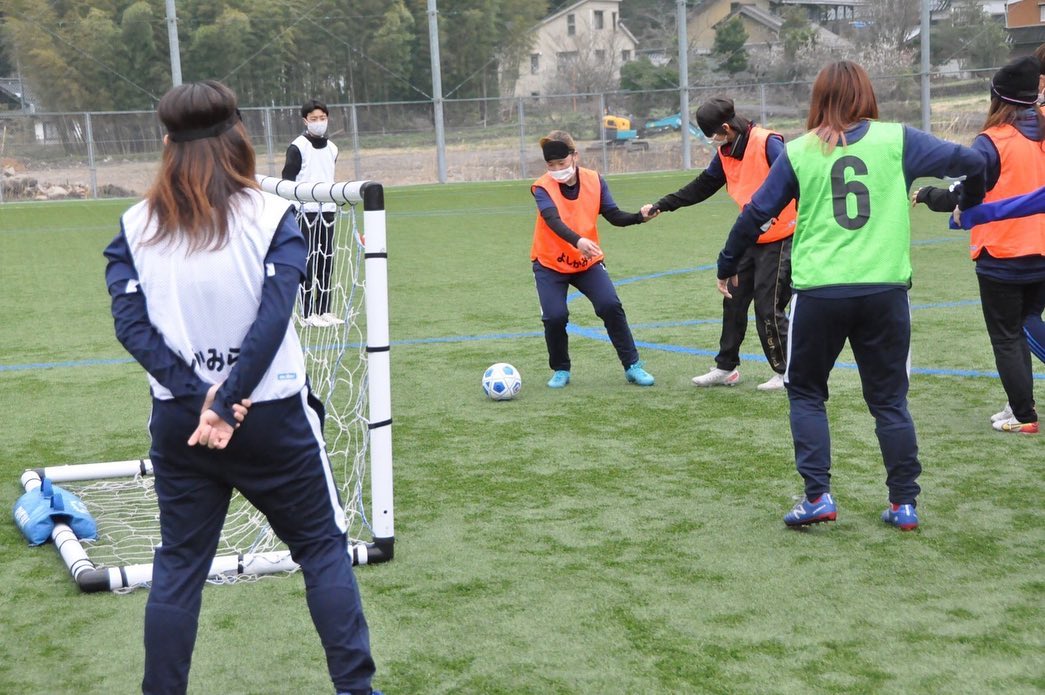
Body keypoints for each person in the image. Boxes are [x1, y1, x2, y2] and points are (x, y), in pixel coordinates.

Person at [103, 80, 378, 695]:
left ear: (167, 144)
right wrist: (225, 401)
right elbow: (276, 314)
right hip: (272, 416)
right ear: (239, 139)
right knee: (323, 551)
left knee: (178, 568)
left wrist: (197, 396)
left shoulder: (133, 224)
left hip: (183, 424)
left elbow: (129, 325)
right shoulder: (274, 214)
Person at [716, 61, 986, 530]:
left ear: (818, 99)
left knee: (805, 393)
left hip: (820, 292)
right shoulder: (899, 139)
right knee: (889, 401)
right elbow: (975, 163)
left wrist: (726, 264)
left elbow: (756, 213)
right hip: (884, 291)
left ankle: (817, 496)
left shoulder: (798, 152)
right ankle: (904, 503)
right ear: (867, 95)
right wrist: (970, 200)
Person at [912, 56, 1045, 435]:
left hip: (1003, 253)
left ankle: (1023, 415)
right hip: (1041, 250)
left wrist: (933, 197)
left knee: (1006, 335)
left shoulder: (993, 141)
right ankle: (1019, 402)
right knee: (1024, 327)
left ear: (996, 98)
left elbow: (967, 191)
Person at [641, 98, 797, 391]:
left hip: (782, 238)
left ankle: (787, 371)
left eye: (711, 135)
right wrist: (664, 205)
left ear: (726, 127)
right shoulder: (726, 152)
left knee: (768, 307)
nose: (712, 141)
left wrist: (778, 214)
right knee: (733, 299)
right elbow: (703, 185)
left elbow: (795, 180)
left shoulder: (767, 142)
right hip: (750, 236)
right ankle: (726, 367)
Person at [531, 130, 656, 388]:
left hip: (586, 262)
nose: (556, 170)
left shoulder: (594, 180)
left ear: (574, 157)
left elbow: (612, 214)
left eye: (561, 163)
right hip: (550, 264)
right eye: (551, 165)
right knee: (554, 317)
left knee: (610, 305)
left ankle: (633, 366)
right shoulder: (541, 187)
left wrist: (638, 217)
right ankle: (561, 369)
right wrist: (578, 240)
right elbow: (552, 220)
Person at [282, 98, 342, 328]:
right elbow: (288, 179)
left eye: (323, 118)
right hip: (304, 211)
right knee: (308, 260)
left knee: (326, 260)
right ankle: (307, 312)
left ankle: (324, 309)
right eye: (314, 119)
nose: (319, 122)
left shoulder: (333, 148)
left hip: (327, 210)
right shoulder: (297, 146)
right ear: (305, 121)